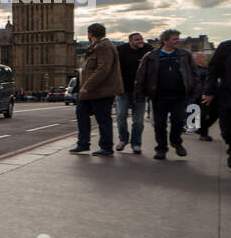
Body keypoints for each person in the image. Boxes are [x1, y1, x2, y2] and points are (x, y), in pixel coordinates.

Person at [133, 28, 197, 160]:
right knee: (159, 124)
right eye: (174, 39)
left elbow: (193, 74)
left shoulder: (184, 55)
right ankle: (161, 148)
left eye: (178, 38)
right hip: (159, 96)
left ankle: (176, 141)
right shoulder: (151, 57)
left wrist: (195, 91)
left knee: (178, 121)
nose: (177, 41)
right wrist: (139, 94)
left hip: (179, 95)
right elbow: (141, 76)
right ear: (165, 40)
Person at [70, 23, 123, 156]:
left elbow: (103, 69)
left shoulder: (104, 47)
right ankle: (83, 144)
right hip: (90, 92)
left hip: (101, 91)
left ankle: (106, 147)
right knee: (81, 114)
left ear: (90, 34)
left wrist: (87, 86)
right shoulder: (95, 47)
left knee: (103, 119)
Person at [204, 17, 231, 177]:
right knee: (228, 131)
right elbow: (213, 69)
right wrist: (209, 90)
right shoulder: (227, 47)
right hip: (227, 96)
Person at [114, 31, 153, 154]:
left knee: (138, 121)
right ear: (130, 41)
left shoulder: (148, 50)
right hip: (123, 90)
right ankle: (123, 139)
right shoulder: (120, 50)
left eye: (141, 38)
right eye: (136, 39)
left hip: (140, 91)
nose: (140, 41)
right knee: (121, 115)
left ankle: (136, 144)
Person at [193, 51, 216, 141]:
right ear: (197, 60)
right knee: (204, 114)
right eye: (203, 58)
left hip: (206, 93)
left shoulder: (206, 69)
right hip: (202, 94)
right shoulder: (197, 70)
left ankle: (201, 129)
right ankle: (203, 132)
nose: (206, 59)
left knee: (210, 113)